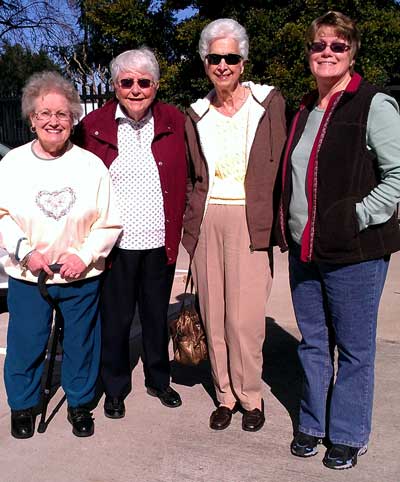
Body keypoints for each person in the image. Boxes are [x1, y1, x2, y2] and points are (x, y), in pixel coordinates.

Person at [276, 11, 400, 470]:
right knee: (312, 342)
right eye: (319, 45)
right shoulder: (304, 108)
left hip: (354, 253)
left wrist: (359, 216)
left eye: (338, 46)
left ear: (352, 53)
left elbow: (397, 175)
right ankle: (313, 423)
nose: (327, 52)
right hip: (306, 250)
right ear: (308, 52)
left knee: (353, 348)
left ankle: (347, 433)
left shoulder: (373, 104)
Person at [0, 71, 122, 439]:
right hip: (29, 274)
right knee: (27, 341)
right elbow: (2, 215)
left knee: (82, 343)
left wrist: (83, 256)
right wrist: (26, 252)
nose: (53, 121)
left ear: (73, 118)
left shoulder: (90, 166)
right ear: (32, 119)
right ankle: (23, 405)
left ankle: (80, 404)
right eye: (44, 114)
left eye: (62, 114)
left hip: (78, 274)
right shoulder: (13, 164)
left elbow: (109, 221)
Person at [183, 18, 286, 432]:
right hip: (209, 220)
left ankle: (251, 396)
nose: (222, 65)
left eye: (230, 57)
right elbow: (193, 174)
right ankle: (224, 395)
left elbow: (282, 166)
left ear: (242, 61)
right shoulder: (198, 112)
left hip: (250, 219)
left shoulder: (268, 102)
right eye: (214, 58)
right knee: (214, 313)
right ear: (205, 62)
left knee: (244, 319)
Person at [74, 47, 187, 418]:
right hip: (115, 243)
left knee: (155, 316)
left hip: (159, 240)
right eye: (127, 82)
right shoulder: (94, 127)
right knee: (117, 319)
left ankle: (159, 378)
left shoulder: (175, 120)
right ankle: (115, 387)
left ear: (155, 85)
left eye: (144, 82)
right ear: (115, 85)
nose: (135, 89)